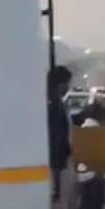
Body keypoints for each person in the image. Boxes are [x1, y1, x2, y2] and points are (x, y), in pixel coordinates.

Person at [46, 66, 72, 199]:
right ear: (60, 84)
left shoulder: (54, 99)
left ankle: (56, 192)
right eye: (67, 83)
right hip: (54, 151)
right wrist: (60, 148)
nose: (68, 87)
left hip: (56, 151)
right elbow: (55, 129)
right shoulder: (51, 101)